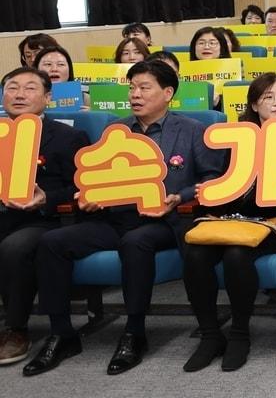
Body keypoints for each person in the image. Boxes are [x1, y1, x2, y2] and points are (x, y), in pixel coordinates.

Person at [24, 61, 224, 377]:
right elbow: (93, 176)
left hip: (161, 220)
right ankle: (61, 332)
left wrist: (179, 198)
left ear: (167, 92)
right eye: (132, 88)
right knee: (52, 242)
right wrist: (87, 195)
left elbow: (212, 178)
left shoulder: (192, 131)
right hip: (112, 218)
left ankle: (134, 331)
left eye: (144, 87)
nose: (135, 94)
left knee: (135, 242)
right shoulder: (115, 130)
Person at [180, 74, 276, 372]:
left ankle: (240, 334)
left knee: (236, 255)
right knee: (195, 253)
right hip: (235, 218)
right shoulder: (238, 139)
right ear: (255, 104)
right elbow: (219, 188)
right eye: (269, 97)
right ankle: (209, 335)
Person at [0, 67, 90, 367]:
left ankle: (16, 330)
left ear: (48, 97)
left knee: (15, 247)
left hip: (44, 218)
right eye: (12, 88)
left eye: (29, 88)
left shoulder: (68, 136)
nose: (19, 95)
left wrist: (46, 199)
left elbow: (82, 186)